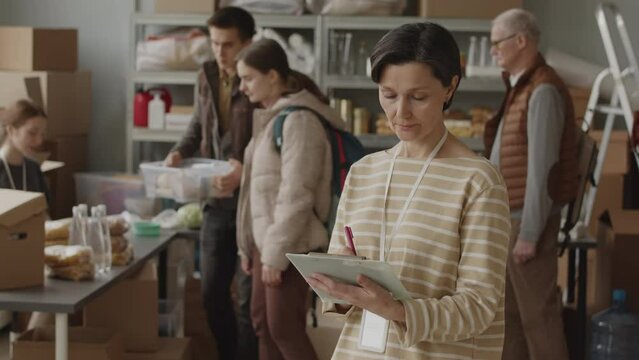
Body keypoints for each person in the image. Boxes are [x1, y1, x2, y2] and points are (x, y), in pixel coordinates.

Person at [306, 22, 511, 359]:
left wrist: (396, 309)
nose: (400, 113)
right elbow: (338, 299)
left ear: (450, 88)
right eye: (388, 95)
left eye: (418, 97)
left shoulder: (478, 181)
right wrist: (339, 285)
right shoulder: (363, 172)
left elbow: (479, 307)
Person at [235, 38, 341, 360]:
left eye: (248, 78)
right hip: (265, 246)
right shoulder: (271, 120)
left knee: (284, 330)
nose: (242, 87)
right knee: (264, 327)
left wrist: (275, 255)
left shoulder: (300, 121)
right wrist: (249, 246)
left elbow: (297, 194)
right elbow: (256, 191)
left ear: (272, 76)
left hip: (289, 248)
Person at [163, 7, 258, 360]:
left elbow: (272, 143)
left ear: (248, 43)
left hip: (252, 203)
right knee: (211, 295)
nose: (220, 52)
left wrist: (245, 169)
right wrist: (178, 152)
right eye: (215, 43)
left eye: (229, 44)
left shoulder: (261, 78)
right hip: (215, 202)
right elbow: (197, 127)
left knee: (249, 301)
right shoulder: (206, 74)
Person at [484, 9, 577, 360]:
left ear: (520, 41)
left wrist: (530, 232)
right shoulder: (522, 87)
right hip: (510, 218)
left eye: (497, 43)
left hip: (525, 221)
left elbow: (544, 168)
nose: (492, 50)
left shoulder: (543, 91)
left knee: (539, 317)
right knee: (508, 318)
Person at [0, 99, 50, 204]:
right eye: (32, 133)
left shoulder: (33, 167)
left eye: (42, 134)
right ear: (11, 130)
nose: (39, 141)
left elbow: (44, 212)